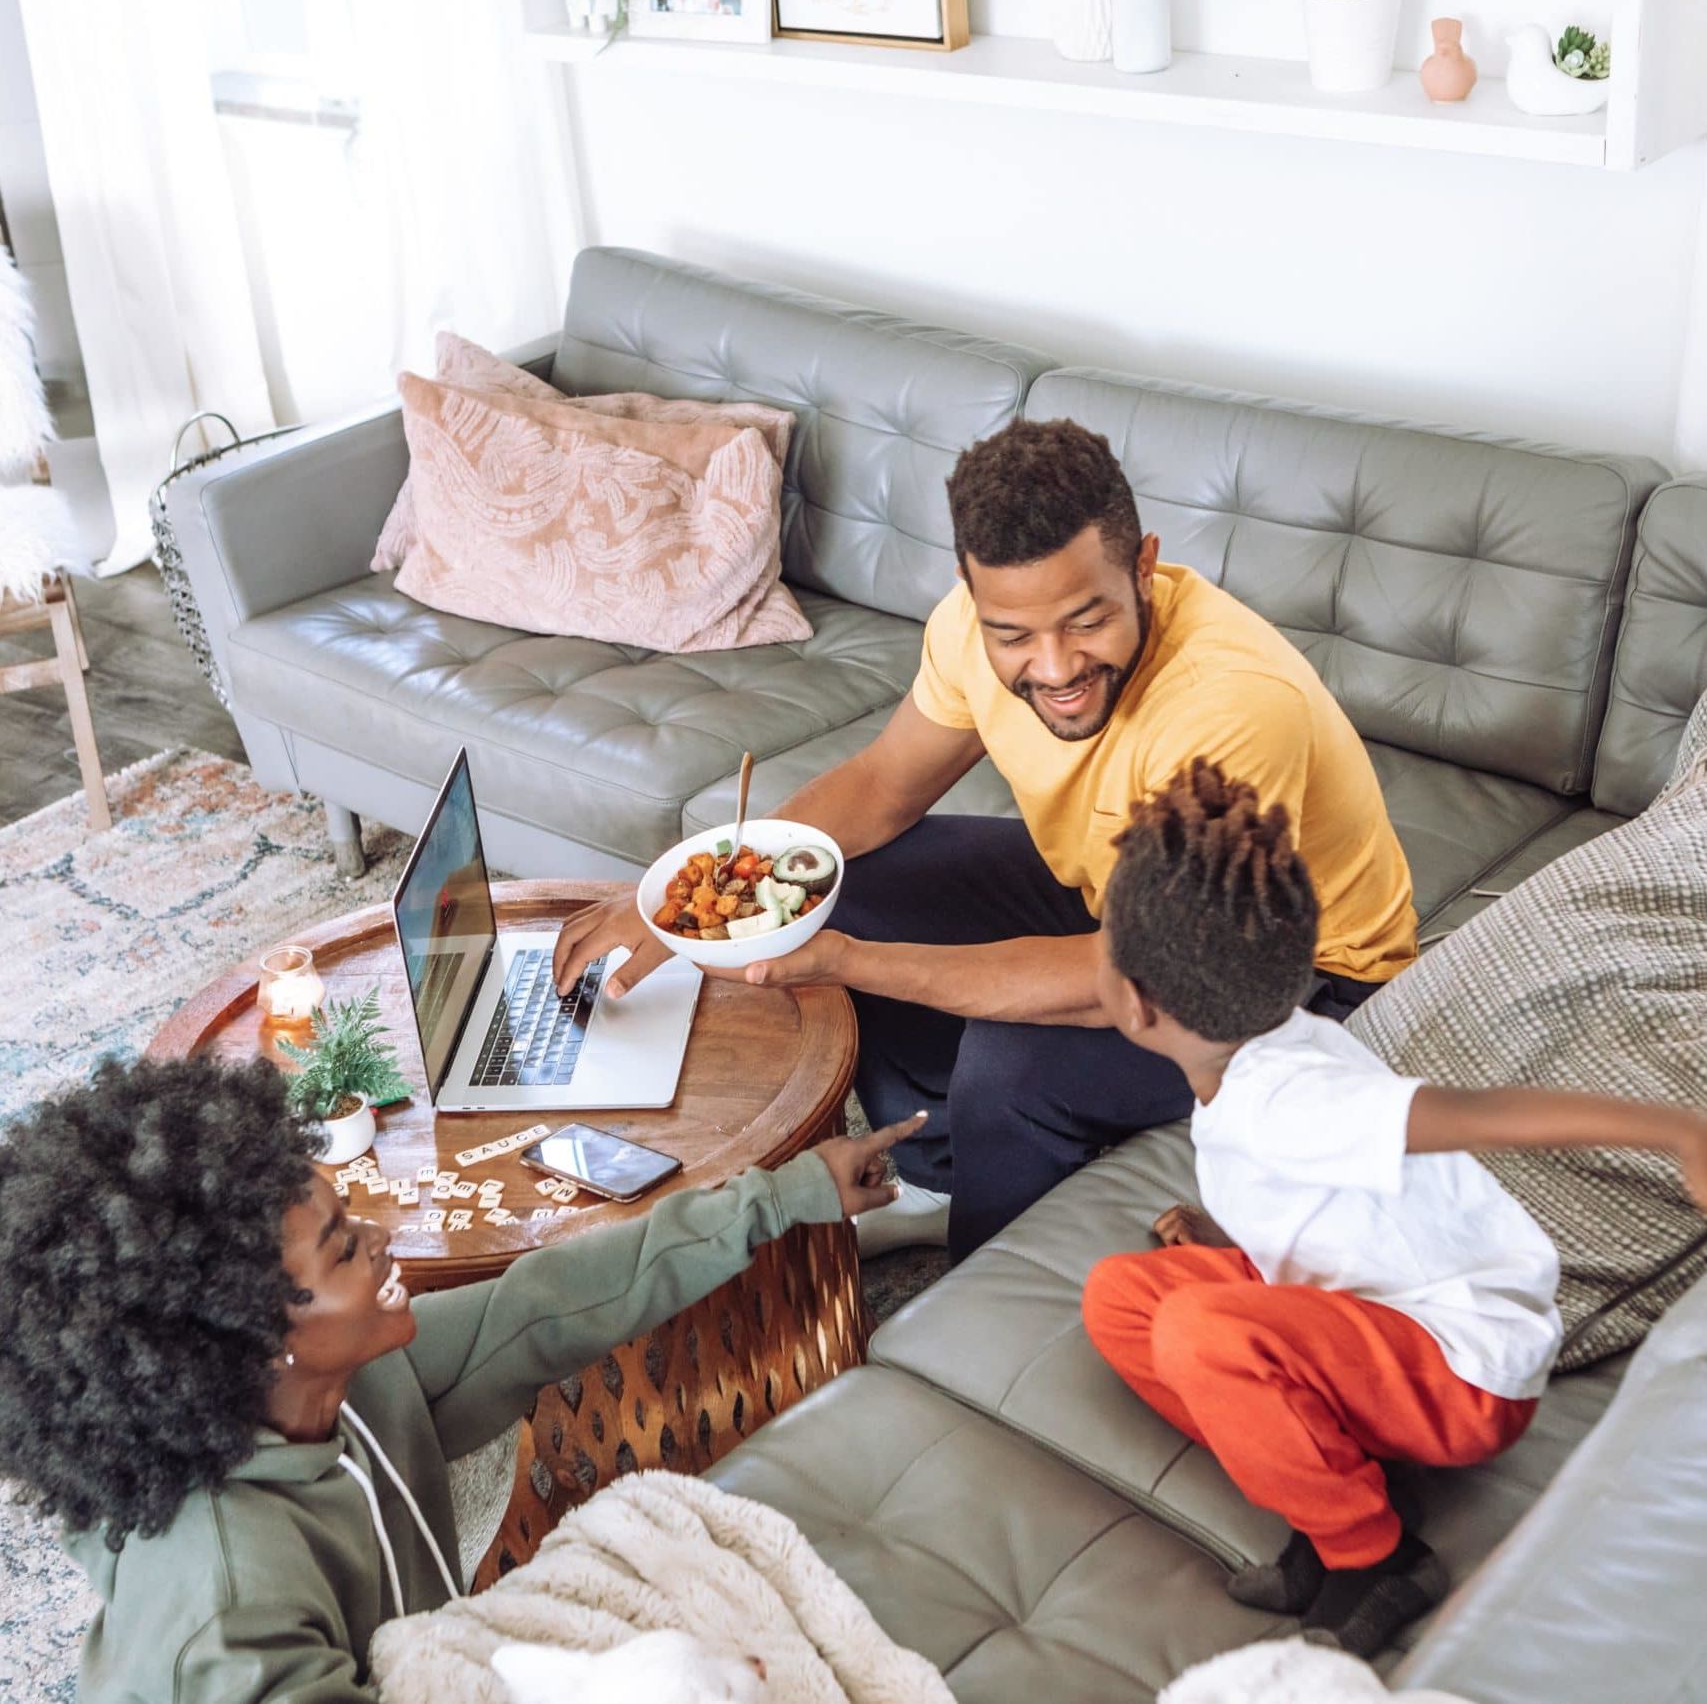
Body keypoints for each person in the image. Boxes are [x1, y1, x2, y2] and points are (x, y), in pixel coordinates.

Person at [554, 418, 1417, 1261]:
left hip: (1291, 975)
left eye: (1087, 620)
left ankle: (981, 1266)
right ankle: (940, 1180)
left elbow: (1132, 973)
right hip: (1116, 896)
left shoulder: (1224, 707)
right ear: (976, 600)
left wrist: (849, 961)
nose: (1054, 666)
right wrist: (692, 894)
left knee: (1011, 1061)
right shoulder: (967, 632)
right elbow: (884, 785)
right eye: (1014, 633)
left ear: (1144, 568)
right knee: (841, 875)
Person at [0, 1054, 920, 1703]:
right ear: (245, 1337)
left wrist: (786, 1195)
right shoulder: (231, 1610)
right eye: (343, 1247)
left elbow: (543, 1306)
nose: (382, 1239)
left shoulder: (336, 1388)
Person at [1079, 760, 1707, 1657]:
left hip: (1461, 1370)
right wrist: (1227, 1234)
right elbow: (1323, 1206)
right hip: (1371, 1316)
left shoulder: (1293, 1098)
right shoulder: (1257, 1050)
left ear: (1135, 1004)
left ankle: (1372, 1556)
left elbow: (1481, 1116)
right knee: (1120, 1296)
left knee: (1196, 1333)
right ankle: (1332, 1471)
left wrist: (1677, 1131)